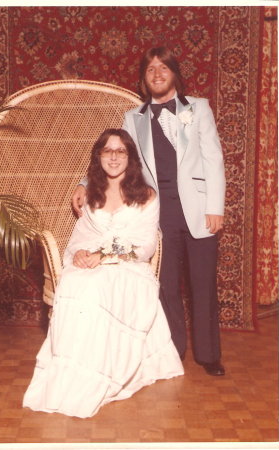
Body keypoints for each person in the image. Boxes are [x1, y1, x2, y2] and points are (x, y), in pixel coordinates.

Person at [72, 47, 226, 377]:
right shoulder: (134, 117)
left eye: (163, 67)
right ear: (144, 79)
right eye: (150, 69)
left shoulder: (198, 108)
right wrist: (86, 182)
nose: (156, 73)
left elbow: (213, 158)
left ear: (174, 73)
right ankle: (174, 349)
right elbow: (116, 153)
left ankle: (209, 355)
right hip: (161, 213)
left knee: (202, 283)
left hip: (199, 210)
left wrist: (215, 207)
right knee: (167, 285)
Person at [23, 128, 183, 418]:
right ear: (98, 157)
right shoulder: (91, 195)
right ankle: (71, 375)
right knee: (74, 283)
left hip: (129, 267)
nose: (113, 157)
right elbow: (79, 237)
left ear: (130, 157)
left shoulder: (146, 196)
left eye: (120, 151)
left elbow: (146, 247)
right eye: (107, 151)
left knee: (98, 288)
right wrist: (81, 254)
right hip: (92, 261)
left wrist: (105, 256)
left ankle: (99, 373)